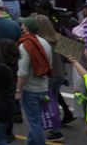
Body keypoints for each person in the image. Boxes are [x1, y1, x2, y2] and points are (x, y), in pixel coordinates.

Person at [17, 15, 54, 145]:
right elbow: (49, 66)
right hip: (43, 87)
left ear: (26, 28)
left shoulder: (25, 46)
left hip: (30, 89)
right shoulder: (45, 43)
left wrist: (18, 90)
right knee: (36, 120)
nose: (21, 26)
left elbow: (22, 72)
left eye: (23, 25)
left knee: (35, 123)